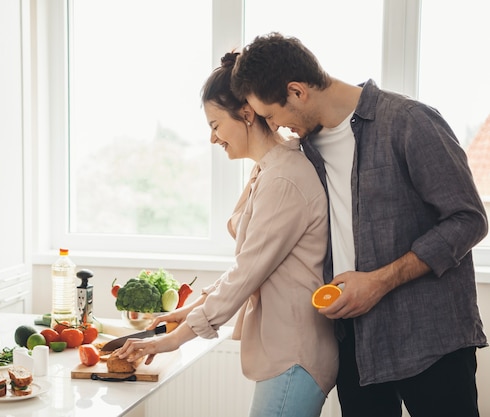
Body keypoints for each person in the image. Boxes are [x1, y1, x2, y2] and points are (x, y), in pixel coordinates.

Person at [230, 32, 488, 417]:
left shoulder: (410, 122)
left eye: (272, 115)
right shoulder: (308, 149)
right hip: (357, 343)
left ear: (297, 92)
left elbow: (469, 220)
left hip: (431, 338)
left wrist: (379, 280)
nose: (277, 127)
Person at [118, 52, 338, 417]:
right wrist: (188, 310)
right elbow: (251, 266)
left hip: (295, 355)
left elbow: (245, 273)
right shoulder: (269, 171)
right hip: (287, 352)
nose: (212, 138)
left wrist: (176, 338)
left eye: (216, 124)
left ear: (247, 115)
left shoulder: (283, 178)